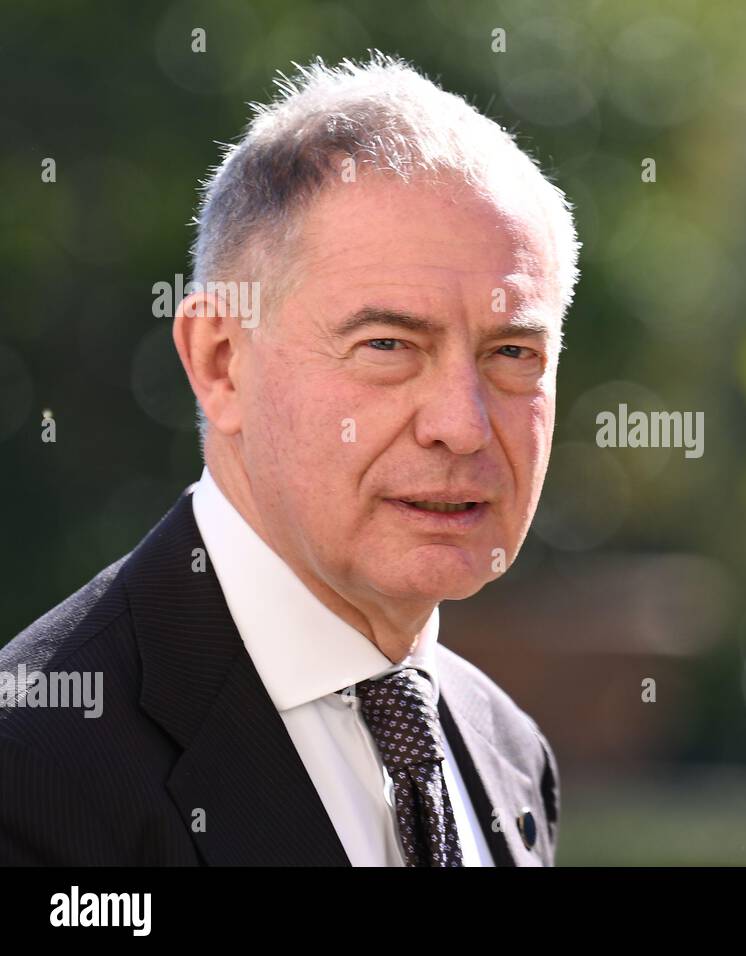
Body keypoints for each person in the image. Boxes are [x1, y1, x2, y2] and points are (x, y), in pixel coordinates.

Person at [0, 51, 580, 866]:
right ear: (220, 362)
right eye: (389, 345)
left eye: (513, 354)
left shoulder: (507, 752)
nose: (462, 424)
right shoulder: (34, 774)